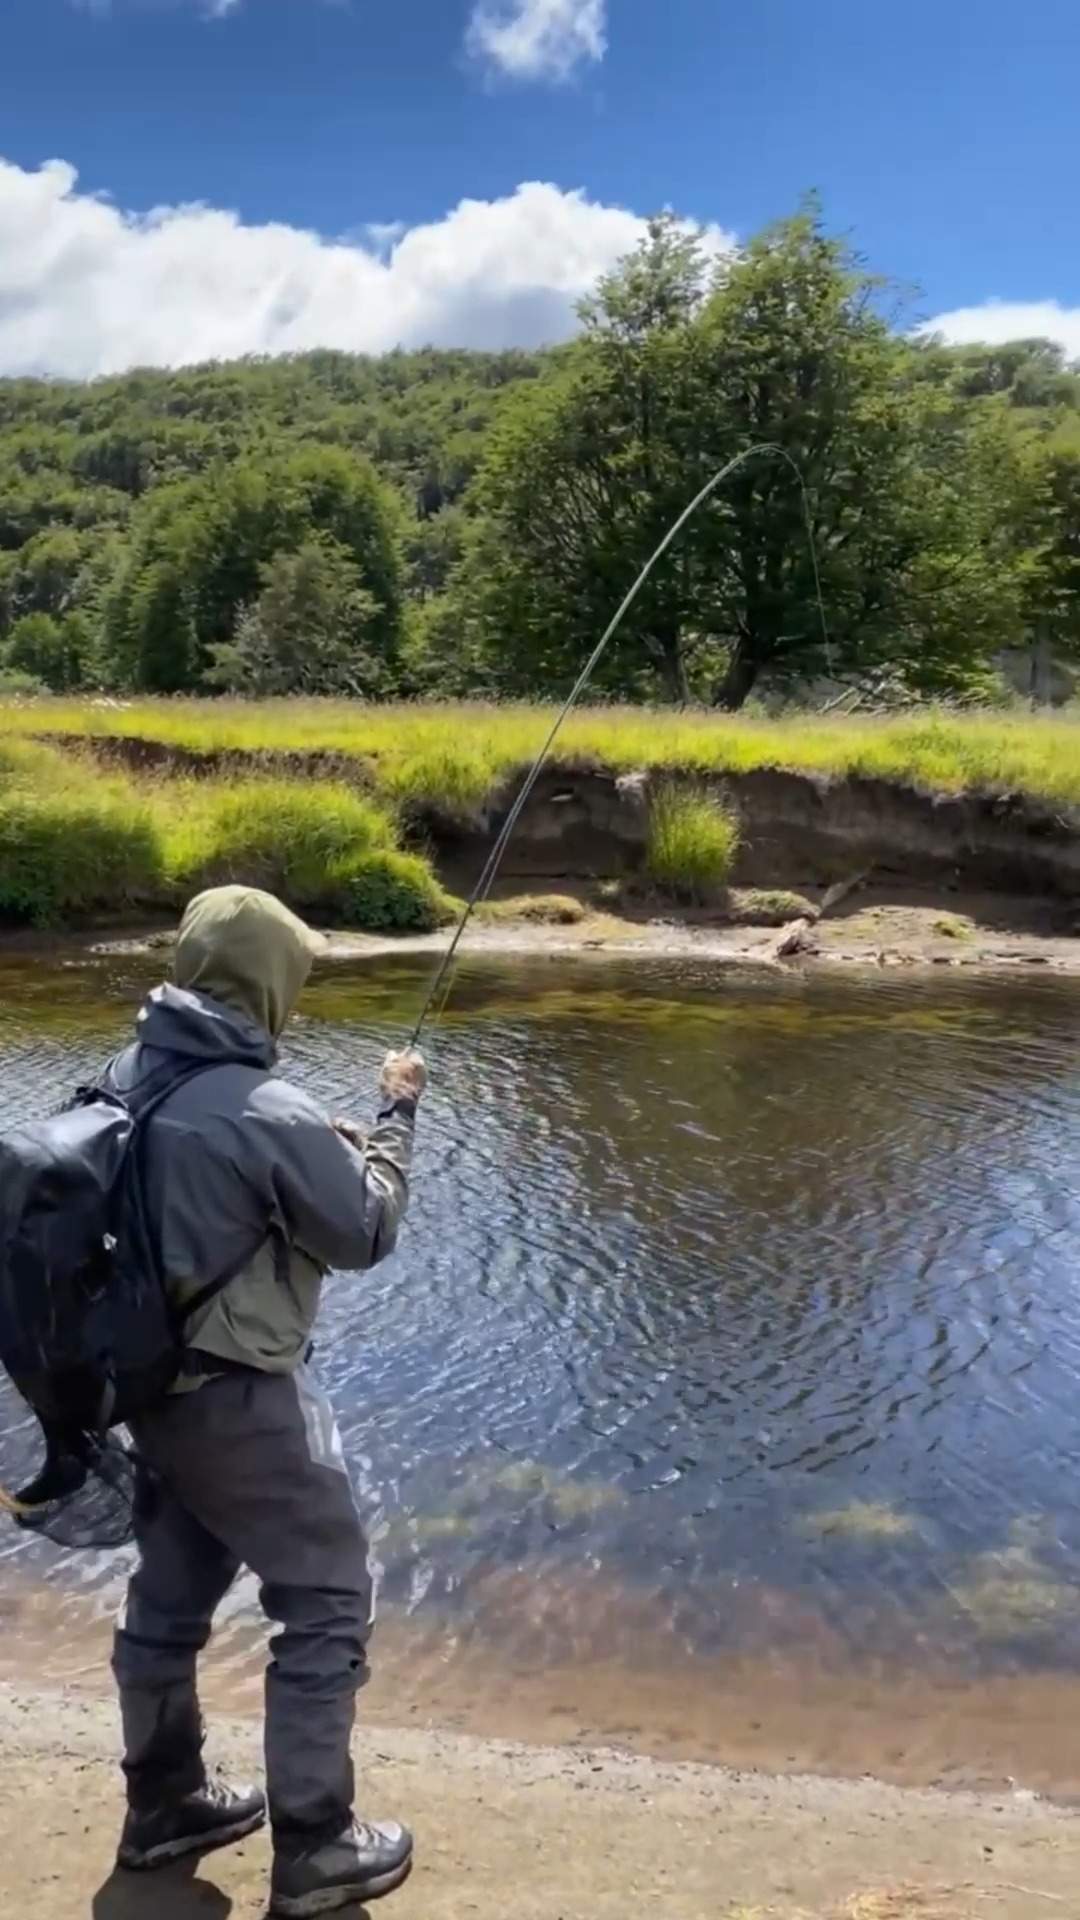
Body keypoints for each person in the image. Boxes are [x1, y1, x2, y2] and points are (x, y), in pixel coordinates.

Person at [104, 884, 426, 1917]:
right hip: (241, 1402)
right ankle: (318, 1842)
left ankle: (166, 1805)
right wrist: (393, 1116)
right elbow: (365, 1233)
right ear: (268, 985)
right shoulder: (266, 1107)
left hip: (143, 1395)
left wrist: (306, 1143)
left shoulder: (118, 1077)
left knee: (169, 1599)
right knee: (326, 1595)